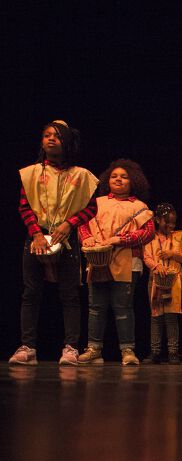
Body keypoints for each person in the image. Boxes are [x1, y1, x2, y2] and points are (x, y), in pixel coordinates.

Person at [10, 120, 98, 366]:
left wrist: (70, 223)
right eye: (47, 135)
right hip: (37, 236)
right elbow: (24, 206)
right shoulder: (31, 173)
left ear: (66, 142)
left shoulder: (81, 176)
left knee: (69, 294)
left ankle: (71, 348)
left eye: (57, 136)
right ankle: (28, 347)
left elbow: (91, 208)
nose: (50, 139)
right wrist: (36, 234)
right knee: (31, 292)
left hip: (65, 237)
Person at [76, 159, 154, 365]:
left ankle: (128, 350)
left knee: (123, 307)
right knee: (96, 306)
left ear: (133, 181)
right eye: (114, 176)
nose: (118, 179)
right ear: (107, 180)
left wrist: (120, 239)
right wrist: (87, 238)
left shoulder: (139, 207)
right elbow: (82, 224)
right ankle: (94, 349)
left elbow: (148, 232)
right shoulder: (97, 202)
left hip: (128, 261)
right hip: (98, 261)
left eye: (124, 176)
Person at [143, 203, 182, 364]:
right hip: (155, 280)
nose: (171, 226)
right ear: (157, 220)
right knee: (156, 316)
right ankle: (155, 351)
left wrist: (173, 254)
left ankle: (173, 352)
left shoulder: (180, 236)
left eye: (173, 223)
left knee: (171, 316)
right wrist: (156, 266)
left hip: (174, 281)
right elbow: (146, 257)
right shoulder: (150, 237)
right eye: (167, 222)